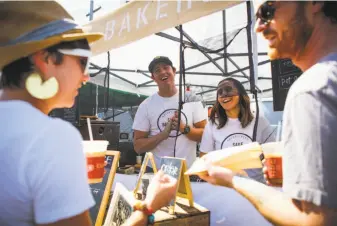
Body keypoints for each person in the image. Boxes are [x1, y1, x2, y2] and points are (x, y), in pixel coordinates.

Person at [0, 2, 176, 226]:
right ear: (47, 59)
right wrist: (148, 207)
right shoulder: (51, 137)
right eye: (82, 61)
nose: (86, 76)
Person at [199, 1, 337, 225]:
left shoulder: (313, 89)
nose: (258, 27)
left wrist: (234, 180)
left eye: (268, 11)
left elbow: (315, 220)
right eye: (257, 18)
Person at [133, 56, 207, 169]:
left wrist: (184, 128)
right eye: (157, 70)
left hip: (187, 170)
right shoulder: (145, 105)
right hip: (156, 171)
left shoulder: (191, 99)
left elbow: (205, 136)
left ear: (174, 71)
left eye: (166, 68)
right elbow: (138, 147)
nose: (163, 72)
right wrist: (162, 135)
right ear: (153, 77)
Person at [199, 77, 275, 183]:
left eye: (228, 90)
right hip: (224, 187)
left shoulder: (260, 122)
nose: (224, 95)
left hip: (255, 186)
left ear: (241, 95)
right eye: (220, 92)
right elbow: (204, 157)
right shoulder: (212, 125)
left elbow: (272, 155)